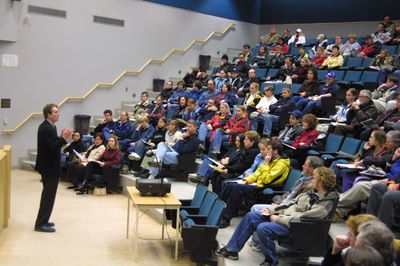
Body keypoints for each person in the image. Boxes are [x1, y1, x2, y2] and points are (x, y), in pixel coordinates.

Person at [217, 167, 337, 266]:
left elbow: (302, 218)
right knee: (251, 216)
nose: (312, 181)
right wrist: (271, 210)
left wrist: (279, 219)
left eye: (314, 179)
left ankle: (271, 260)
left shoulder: (325, 203)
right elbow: (290, 203)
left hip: (297, 227)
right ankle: (232, 249)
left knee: (264, 228)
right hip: (285, 217)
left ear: (320, 181)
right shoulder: (311, 192)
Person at [218, 139, 290, 228]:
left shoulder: (281, 164)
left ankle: (226, 218)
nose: (266, 151)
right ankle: (218, 212)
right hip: (256, 184)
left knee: (237, 188)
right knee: (229, 185)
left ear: (275, 151)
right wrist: (246, 180)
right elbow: (257, 173)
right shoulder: (270, 159)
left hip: (264, 187)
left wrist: (266, 163)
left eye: (268, 149)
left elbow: (267, 180)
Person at [34, 103, 73, 233]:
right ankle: (40, 224)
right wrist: (63, 138)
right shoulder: (47, 128)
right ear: (48, 114)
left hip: (49, 166)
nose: (58, 113)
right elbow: (51, 148)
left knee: (49, 195)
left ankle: (44, 220)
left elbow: (52, 143)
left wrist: (60, 137)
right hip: (49, 167)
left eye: (58, 111)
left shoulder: (50, 126)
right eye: (55, 112)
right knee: (48, 196)